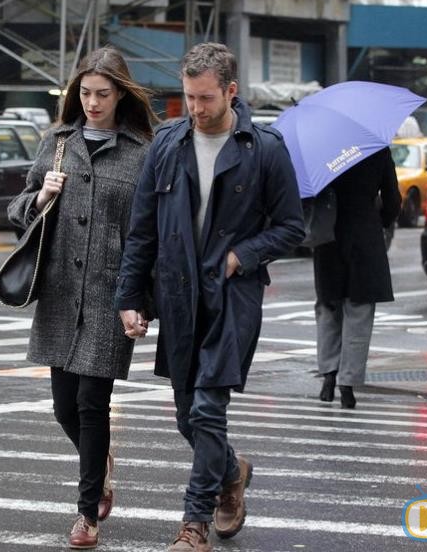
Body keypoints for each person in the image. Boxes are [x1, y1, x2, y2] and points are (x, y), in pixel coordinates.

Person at [114, 42, 305, 552]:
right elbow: (142, 231)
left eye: (204, 99)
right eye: (187, 98)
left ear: (231, 92)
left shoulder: (264, 148)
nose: (195, 109)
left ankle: (193, 524)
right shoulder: (169, 144)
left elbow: (291, 227)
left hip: (233, 295)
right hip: (178, 295)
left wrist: (244, 254)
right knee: (186, 416)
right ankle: (232, 471)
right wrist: (130, 297)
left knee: (206, 411)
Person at [6, 46, 157, 550]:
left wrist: (141, 299)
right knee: (63, 408)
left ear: (122, 95)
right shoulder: (56, 143)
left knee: (94, 404)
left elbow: (148, 234)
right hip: (59, 294)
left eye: (103, 94)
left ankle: (87, 512)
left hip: (110, 296)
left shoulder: (142, 152)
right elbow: (17, 210)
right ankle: (103, 464)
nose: (93, 103)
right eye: (86, 94)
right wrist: (41, 197)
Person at [313, 148, 401, 410]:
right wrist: (380, 220)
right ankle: (348, 385)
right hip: (365, 236)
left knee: (328, 306)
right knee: (359, 310)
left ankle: (328, 375)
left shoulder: (323, 150)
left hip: (328, 236)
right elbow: (393, 199)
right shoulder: (376, 150)